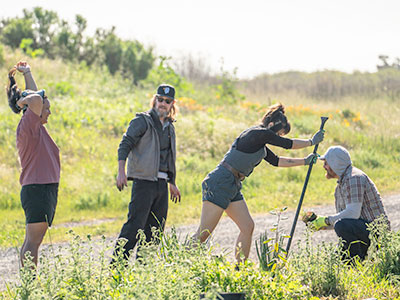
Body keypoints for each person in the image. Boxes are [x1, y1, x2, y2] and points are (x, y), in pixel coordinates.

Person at [192, 103, 324, 263]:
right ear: (271, 125)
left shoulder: (260, 144)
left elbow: (277, 161)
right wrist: (311, 141)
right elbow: (287, 144)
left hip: (232, 184)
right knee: (204, 233)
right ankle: (178, 264)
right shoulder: (257, 133)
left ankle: (240, 269)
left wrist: (304, 161)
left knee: (247, 226)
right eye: (279, 134)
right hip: (220, 181)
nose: (279, 138)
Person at [113, 84, 181, 262]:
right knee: (135, 226)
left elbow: (168, 157)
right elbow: (124, 145)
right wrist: (122, 172)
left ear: (172, 104)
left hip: (162, 184)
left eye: (167, 101)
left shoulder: (170, 127)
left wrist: (172, 182)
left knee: (155, 231)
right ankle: (117, 267)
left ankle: (145, 271)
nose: (162, 104)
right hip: (143, 182)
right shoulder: (142, 121)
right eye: (160, 99)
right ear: (154, 100)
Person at [6, 61, 60, 267]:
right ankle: (30, 286)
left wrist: (27, 73)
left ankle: (29, 285)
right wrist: (20, 103)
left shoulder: (34, 125)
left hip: (42, 188)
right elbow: (37, 98)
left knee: (32, 242)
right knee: (33, 243)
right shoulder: (29, 124)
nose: (49, 112)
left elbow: (37, 97)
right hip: (38, 189)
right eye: (48, 108)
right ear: (33, 109)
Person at [307, 145, 390, 260]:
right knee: (334, 260)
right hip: (365, 231)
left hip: (378, 234)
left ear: (335, 164)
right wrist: (323, 225)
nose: (324, 166)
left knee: (342, 226)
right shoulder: (341, 185)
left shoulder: (354, 178)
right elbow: (346, 220)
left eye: (326, 163)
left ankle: (357, 263)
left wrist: (326, 220)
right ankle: (356, 264)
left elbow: (352, 214)